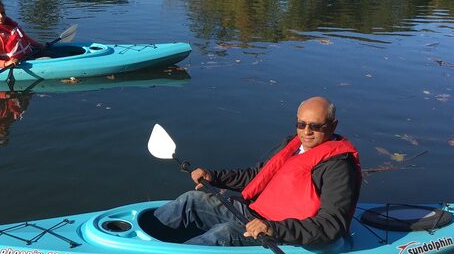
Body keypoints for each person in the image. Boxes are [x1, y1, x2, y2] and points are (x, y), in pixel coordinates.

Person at [153, 96, 361, 246]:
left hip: (280, 233)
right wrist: (214, 177)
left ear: (333, 126)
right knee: (192, 199)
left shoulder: (339, 167)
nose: (306, 131)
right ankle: (147, 237)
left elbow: (332, 224)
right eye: (301, 123)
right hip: (254, 214)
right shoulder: (292, 146)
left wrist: (273, 229)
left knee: (223, 233)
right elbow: (257, 176)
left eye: (316, 126)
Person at [0, 0, 40, 68]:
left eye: (3, 13)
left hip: (28, 55)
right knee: (47, 59)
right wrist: (6, 63)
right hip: (18, 63)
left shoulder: (8, 25)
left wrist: (38, 45)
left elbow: (24, 38)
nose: (1, 16)